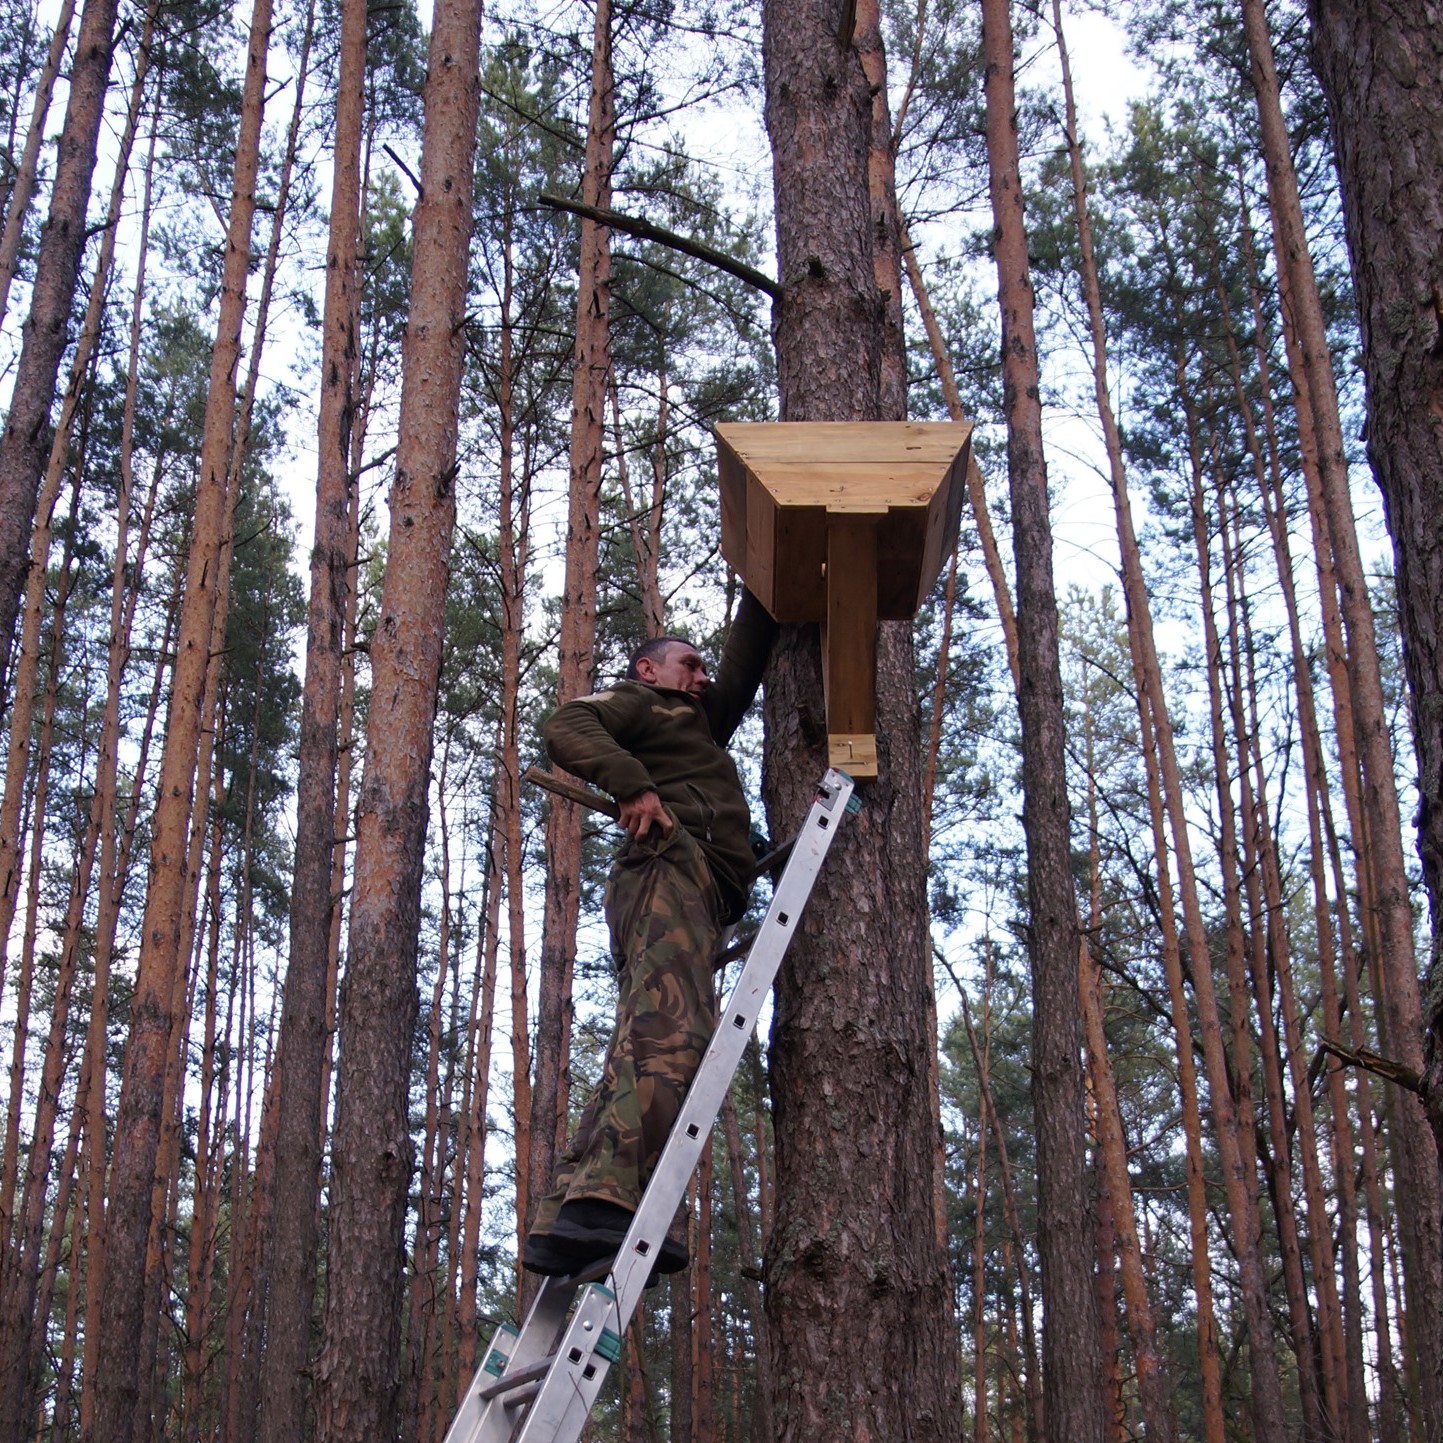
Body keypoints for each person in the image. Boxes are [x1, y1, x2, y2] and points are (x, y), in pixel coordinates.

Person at [523, 588, 778, 1277]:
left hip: (690, 881)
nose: (702, 678)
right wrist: (632, 783)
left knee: (641, 1035)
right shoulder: (643, 706)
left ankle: (566, 1215)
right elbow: (568, 724)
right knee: (671, 1034)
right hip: (669, 867)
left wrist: (769, 577)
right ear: (648, 671)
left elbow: (747, 658)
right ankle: (607, 1201)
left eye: (702, 669)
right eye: (688, 665)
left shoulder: (693, 721)